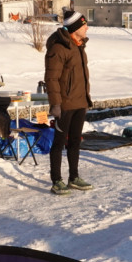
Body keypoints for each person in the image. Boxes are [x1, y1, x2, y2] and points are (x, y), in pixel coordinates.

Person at [44, 10, 93, 195]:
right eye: (84, 24)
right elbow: (51, 78)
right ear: (75, 28)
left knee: (75, 142)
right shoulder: (59, 47)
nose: (87, 27)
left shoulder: (79, 46)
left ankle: (74, 177)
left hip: (80, 102)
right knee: (58, 143)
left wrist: (86, 99)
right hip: (64, 105)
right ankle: (56, 180)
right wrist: (56, 104)